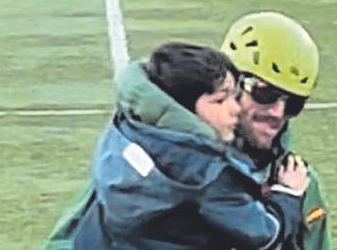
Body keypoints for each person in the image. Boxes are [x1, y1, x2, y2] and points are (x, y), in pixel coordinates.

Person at [45, 42, 310, 250]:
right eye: (220, 101)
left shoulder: (128, 125)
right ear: (186, 109)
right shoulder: (206, 174)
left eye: (235, 95)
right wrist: (287, 195)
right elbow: (263, 235)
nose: (235, 109)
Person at [220, 12, 332, 250]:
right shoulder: (188, 173)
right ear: (230, 85)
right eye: (265, 94)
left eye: (293, 104)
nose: (277, 113)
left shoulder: (303, 183)